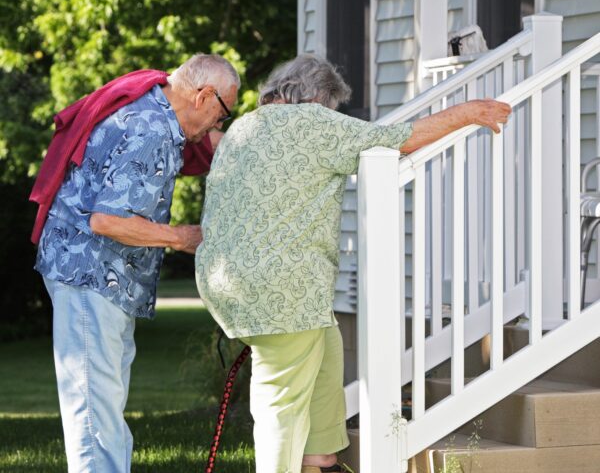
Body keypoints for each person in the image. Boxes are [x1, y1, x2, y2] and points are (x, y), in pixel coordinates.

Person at [195, 54, 511, 473]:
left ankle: (320, 459)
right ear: (317, 98)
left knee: (326, 348)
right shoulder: (312, 122)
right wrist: (468, 113)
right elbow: (400, 137)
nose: (333, 116)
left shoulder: (243, 129)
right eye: (333, 108)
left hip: (233, 282)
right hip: (281, 290)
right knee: (280, 406)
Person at [33, 53, 239, 472]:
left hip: (101, 276)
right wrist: (181, 238)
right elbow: (106, 220)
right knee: (95, 412)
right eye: (223, 114)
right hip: (89, 272)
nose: (219, 126)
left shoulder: (156, 119)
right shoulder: (149, 128)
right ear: (203, 96)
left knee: (103, 404)